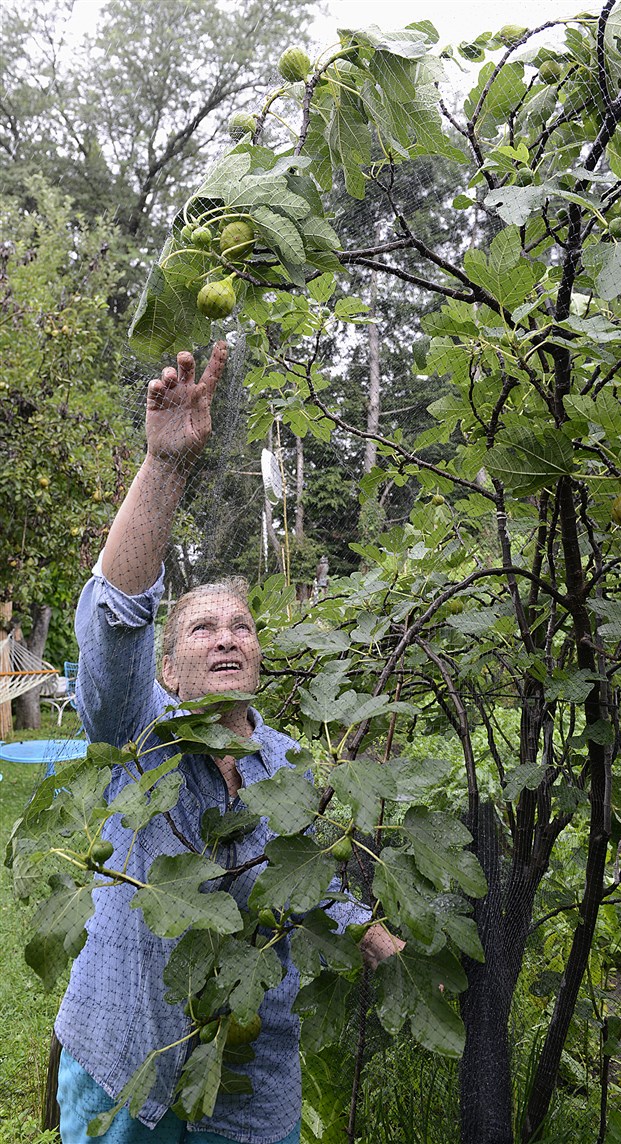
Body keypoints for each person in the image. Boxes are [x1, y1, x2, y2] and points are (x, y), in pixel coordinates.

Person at [53, 343, 401, 1144]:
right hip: (127, 1054)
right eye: (202, 628)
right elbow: (114, 625)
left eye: (241, 626)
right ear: (168, 671)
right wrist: (164, 466)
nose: (226, 638)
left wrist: (375, 934)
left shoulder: (288, 764)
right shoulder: (139, 731)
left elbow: (304, 879)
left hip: (250, 1072)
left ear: (259, 655)